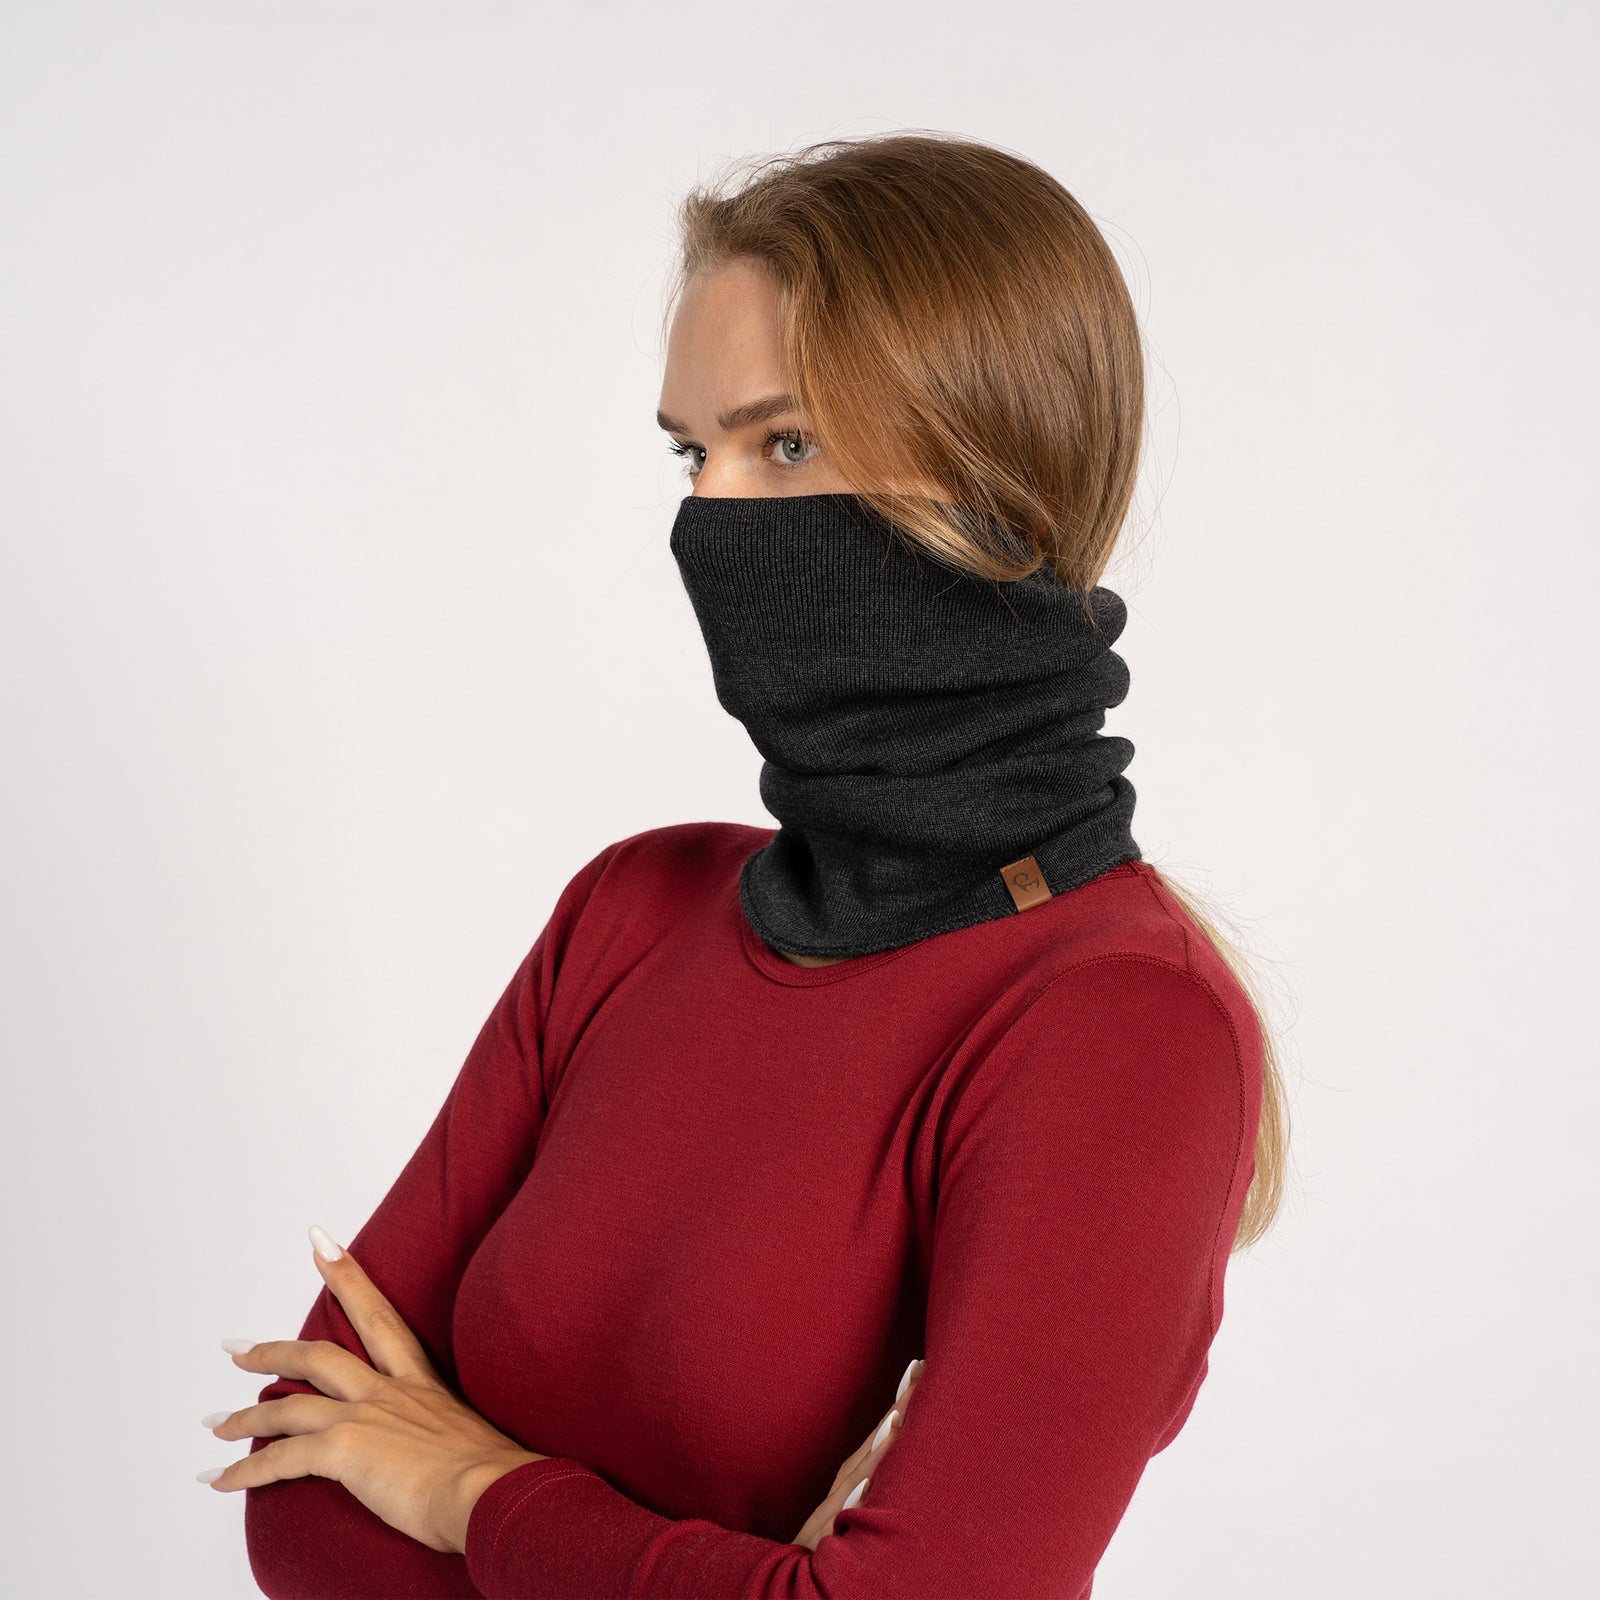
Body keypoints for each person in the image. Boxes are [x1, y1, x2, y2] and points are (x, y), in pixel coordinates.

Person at [214, 128, 1291, 1599]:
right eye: (689, 450)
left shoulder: (1119, 1026)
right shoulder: (631, 910)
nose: (708, 518)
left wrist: (472, 1489)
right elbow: (302, 1502)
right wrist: (733, 1574)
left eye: (784, 445)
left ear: (998, 490)